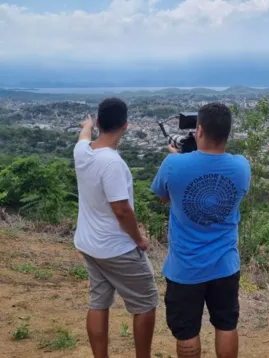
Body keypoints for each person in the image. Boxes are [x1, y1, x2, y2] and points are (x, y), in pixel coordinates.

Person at [151, 102, 251, 358]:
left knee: (186, 331)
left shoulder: (173, 164)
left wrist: (178, 156)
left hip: (186, 267)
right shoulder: (241, 167)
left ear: (200, 131)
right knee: (226, 324)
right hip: (225, 264)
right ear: (227, 134)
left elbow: (164, 196)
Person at [74, 98, 158, 358]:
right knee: (146, 302)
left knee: (98, 302)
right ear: (125, 125)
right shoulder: (112, 163)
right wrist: (139, 239)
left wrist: (86, 126)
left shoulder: (82, 152)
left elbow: (83, 136)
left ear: (99, 122)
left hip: (89, 243)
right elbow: (121, 209)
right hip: (116, 247)